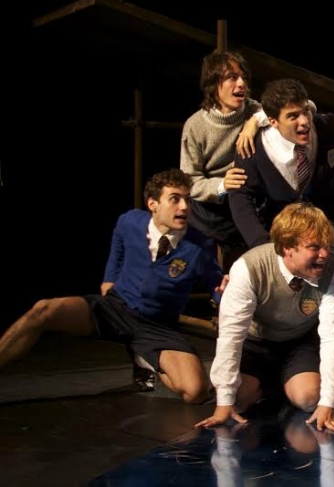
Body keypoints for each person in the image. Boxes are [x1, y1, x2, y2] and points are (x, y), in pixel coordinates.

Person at [0, 168, 224, 403]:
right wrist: (110, 278)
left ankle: (146, 359)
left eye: (187, 199)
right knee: (44, 309)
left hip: (158, 327)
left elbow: (216, 284)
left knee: (195, 391)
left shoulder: (199, 245)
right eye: (175, 199)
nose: (184, 207)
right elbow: (118, 239)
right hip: (116, 308)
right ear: (153, 204)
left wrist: (224, 299)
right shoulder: (131, 221)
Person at [227, 78, 334, 366]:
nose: (304, 121)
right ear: (272, 121)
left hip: (331, 218)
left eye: (305, 111)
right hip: (285, 228)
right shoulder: (253, 147)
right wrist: (263, 246)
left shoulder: (330, 128)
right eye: (293, 116)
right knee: (283, 290)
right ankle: (282, 358)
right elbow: (240, 200)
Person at [195, 202, 334, 432]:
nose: (325, 254)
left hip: (298, 341)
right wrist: (224, 401)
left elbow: (333, 337)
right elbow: (231, 335)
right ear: (288, 247)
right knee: (238, 400)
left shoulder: (332, 273)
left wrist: (329, 401)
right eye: (314, 247)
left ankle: (288, 382)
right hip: (255, 342)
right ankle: (273, 384)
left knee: (310, 399)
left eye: (327, 246)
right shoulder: (250, 267)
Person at [181, 49, 267, 273]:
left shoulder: (254, 110)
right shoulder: (195, 126)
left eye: (243, 77)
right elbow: (190, 180)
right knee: (198, 273)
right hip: (208, 213)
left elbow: (305, 106)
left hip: (244, 208)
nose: (241, 84)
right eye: (232, 77)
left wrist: (255, 121)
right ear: (213, 84)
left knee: (244, 274)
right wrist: (221, 185)